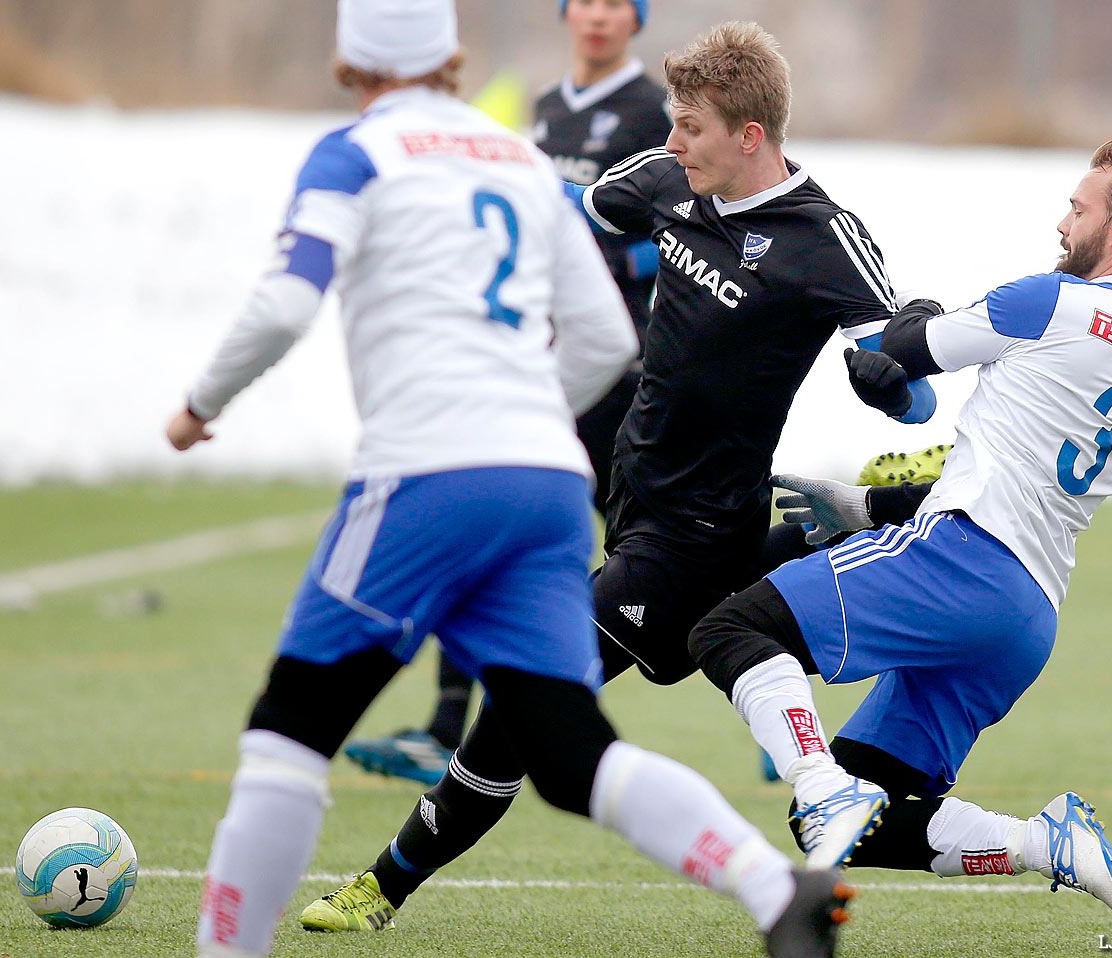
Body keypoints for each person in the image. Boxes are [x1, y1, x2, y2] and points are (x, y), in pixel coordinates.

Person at [168, 3, 854, 956]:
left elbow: (286, 301)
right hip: (546, 482)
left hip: (434, 470)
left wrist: (199, 404)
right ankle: (774, 886)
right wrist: (534, 412)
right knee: (571, 752)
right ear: (452, 58)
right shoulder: (517, 159)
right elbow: (612, 337)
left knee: (288, 733)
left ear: (345, 60)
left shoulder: (355, 151)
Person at [298, 19, 942, 934]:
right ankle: (816, 537)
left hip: (689, 539)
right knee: (632, 657)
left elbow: (902, 361)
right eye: (672, 126)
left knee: (521, 706)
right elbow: (568, 216)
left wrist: (899, 387)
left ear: (750, 137)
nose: (671, 142)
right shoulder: (668, 181)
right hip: (631, 506)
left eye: (689, 128)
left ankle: (379, 891)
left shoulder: (822, 237)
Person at [687, 137, 1112, 923]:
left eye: (1078, 207)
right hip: (1026, 616)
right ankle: (1043, 843)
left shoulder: (1053, 301)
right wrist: (867, 507)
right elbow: (1016, 474)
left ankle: (819, 785)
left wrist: (914, 310)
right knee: (860, 815)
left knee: (729, 632)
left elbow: (903, 348)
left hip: (960, 562)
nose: (1062, 223)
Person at [342, 0, 672, 787]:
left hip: (617, 370)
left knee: (656, 560)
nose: (597, 16)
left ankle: (761, 674)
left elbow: (679, 235)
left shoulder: (654, 114)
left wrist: (603, 270)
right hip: (543, 364)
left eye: (614, 3)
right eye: (583, 1)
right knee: (490, 534)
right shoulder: (546, 106)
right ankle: (446, 729)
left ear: (635, 19)